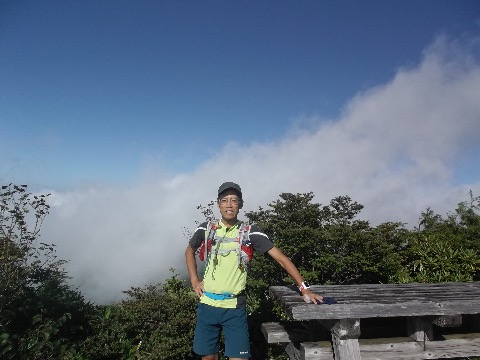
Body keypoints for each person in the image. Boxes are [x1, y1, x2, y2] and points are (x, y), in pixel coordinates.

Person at [185, 182, 324, 360]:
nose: (229, 205)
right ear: (218, 204)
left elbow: (282, 259)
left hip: (234, 307)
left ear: (240, 204)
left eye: (234, 201)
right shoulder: (206, 228)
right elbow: (190, 249)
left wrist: (304, 287)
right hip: (207, 304)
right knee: (208, 357)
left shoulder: (250, 232)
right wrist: (194, 280)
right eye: (224, 200)